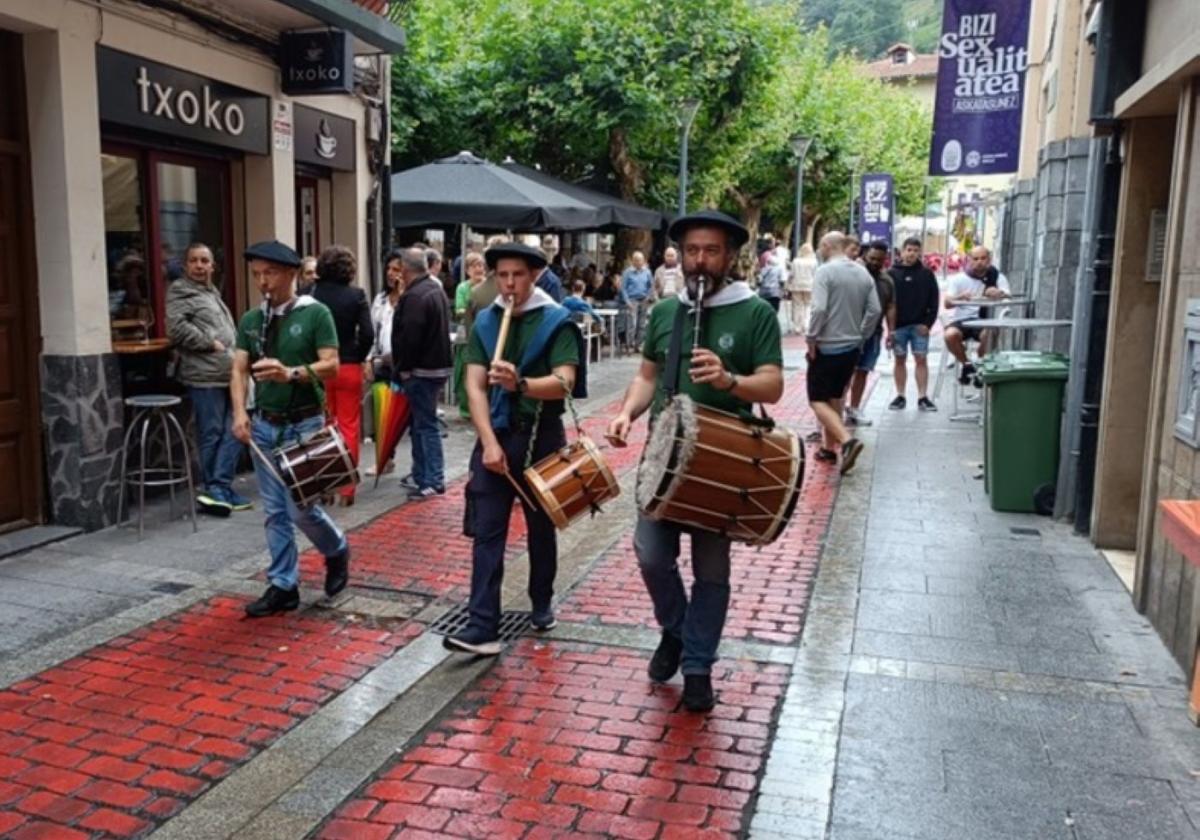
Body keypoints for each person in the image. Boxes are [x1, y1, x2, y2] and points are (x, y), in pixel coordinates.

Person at [606, 210, 784, 712]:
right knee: (650, 554)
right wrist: (626, 413)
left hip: (722, 460)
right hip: (662, 457)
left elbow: (772, 383)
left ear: (730, 256)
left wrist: (730, 381)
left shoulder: (754, 314)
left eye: (711, 251)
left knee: (711, 571)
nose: (699, 261)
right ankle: (676, 630)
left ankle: (699, 664)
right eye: (691, 251)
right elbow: (646, 375)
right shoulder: (667, 312)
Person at [446, 242, 584, 655]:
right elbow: (473, 385)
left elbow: (564, 382)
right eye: (501, 276)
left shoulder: (558, 321)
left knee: (541, 526)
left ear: (534, 275)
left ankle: (541, 601)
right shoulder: (488, 322)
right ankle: (482, 624)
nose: (509, 284)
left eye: (517, 275)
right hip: (497, 434)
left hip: (541, 435)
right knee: (487, 531)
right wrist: (488, 442)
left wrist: (520, 383)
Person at [231, 241, 349, 618]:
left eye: (270, 273)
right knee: (274, 512)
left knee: (300, 510)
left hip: (304, 422)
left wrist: (290, 374)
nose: (262, 281)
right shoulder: (252, 319)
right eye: (257, 274)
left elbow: (331, 364)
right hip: (265, 422)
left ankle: (336, 548)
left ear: (291, 273)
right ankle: (283, 584)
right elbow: (237, 368)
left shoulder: (316, 313)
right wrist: (239, 412)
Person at [166, 242, 249, 515]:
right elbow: (176, 329)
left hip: (225, 373)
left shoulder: (210, 292)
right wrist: (209, 343)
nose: (199, 266)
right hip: (204, 375)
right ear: (186, 265)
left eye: (204, 261)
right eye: (194, 261)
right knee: (212, 432)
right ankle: (215, 489)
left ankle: (219, 486)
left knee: (234, 429)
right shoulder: (180, 291)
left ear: (213, 266)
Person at [806, 232, 881, 474]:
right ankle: (829, 449)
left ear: (827, 246)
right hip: (852, 347)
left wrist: (811, 338)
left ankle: (846, 441)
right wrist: (861, 335)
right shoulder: (863, 273)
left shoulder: (825, 272)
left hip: (827, 345)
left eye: (820, 246)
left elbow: (818, 309)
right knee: (835, 398)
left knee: (817, 400)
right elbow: (875, 309)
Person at [311, 245, 374, 506]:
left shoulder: (308, 293)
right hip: (347, 365)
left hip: (318, 367)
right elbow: (368, 333)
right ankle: (346, 488)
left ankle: (324, 484)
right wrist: (357, 356)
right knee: (348, 425)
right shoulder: (356, 295)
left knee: (324, 425)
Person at [391, 247, 453, 500]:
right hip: (436, 366)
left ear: (406, 270)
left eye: (399, 269)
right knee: (421, 424)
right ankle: (422, 475)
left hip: (421, 370)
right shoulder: (434, 289)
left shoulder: (415, 296)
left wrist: (403, 369)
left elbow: (410, 337)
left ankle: (432, 479)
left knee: (425, 426)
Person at [846, 240, 896, 427]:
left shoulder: (887, 280)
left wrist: (892, 331)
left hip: (874, 333)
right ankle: (839, 406)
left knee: (863, 370)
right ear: (865, 255)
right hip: (850, 331)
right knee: (846, 371)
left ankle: (855, 408)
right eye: (872, 258)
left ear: (886, 260)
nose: (875, 262)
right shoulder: (854, 275)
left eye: (880, 260)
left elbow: (891, 306)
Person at [887, 237, 940, 411]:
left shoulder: (926, 274)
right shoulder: (891, 273)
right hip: (899, 327)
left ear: (920, 253)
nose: (912, 254)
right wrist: (890, 328)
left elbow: (934, 301)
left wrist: (928, 324)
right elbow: (887, 302)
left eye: (916, 250)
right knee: (899, 360)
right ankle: (900, 395)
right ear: (902, 251)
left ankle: (923, 397)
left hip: (919, 326)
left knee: (921, 359)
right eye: (909, 250)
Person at [944, 246, 1011, 383]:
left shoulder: (997, 276)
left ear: (989, 259)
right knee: (950, 335)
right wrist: (960, 297)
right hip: (961, 320)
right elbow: (947, 303)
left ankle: (981, 365)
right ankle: (967, 365)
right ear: (969, 260)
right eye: (975, 258)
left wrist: (998, 293)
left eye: (983, 258)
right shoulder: (959, 279)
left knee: (990, 334)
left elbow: (1007, 297)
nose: (979, 262)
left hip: (984, 320)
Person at [619, 250, 653, 348]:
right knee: (632, 324)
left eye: (640, 260)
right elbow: (623, 288)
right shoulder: (627, 272)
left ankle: (638, 344)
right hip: (632, 300)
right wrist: (627, 301)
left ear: (643, 261)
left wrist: (648, 297)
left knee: (642, 324)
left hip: (643, 300)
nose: (638, 262)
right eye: (636, 260)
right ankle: (630, 344)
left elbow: (651, 285)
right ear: (633, 261)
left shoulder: (647, 272)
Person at [788, 243, 817, 335]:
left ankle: (797, 327)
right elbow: (816, 274)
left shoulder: (796, 261)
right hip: (810, 285)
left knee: (797, 306)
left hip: (796, 285)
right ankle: (806, 325)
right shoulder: (814, 262)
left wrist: (788, 284)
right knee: (808, 306)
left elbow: (791, 274)